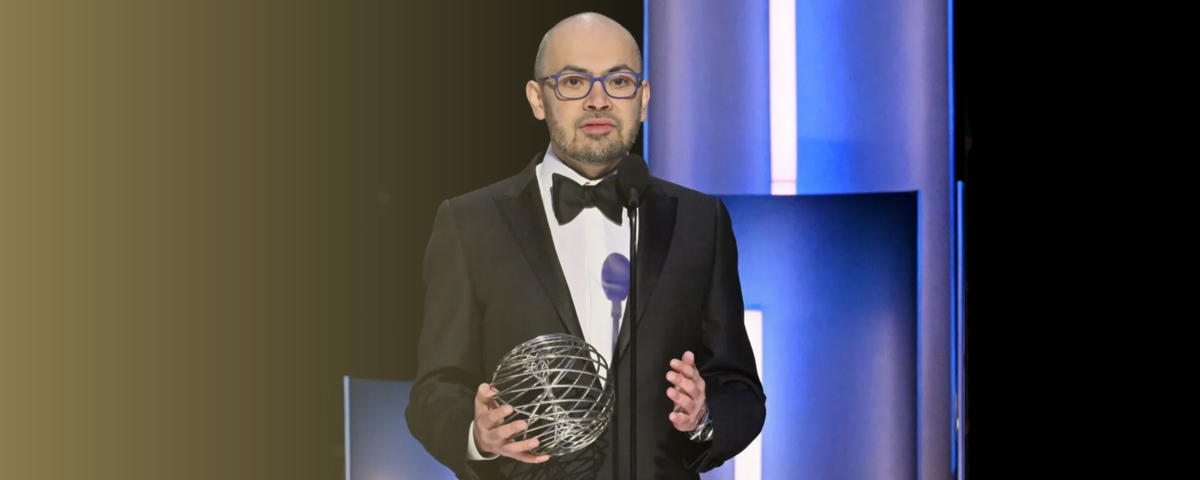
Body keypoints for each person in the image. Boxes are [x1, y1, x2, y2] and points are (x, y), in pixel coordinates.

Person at [405, 12, 765, 480]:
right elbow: (434, 390)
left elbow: (740, 389)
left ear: (644, 98)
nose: (599, 100)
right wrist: (477, 434)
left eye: (618, 81)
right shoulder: (469, 223)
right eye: (574, 81)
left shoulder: (700, 222)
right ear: (538, 99)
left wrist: (702, 418)